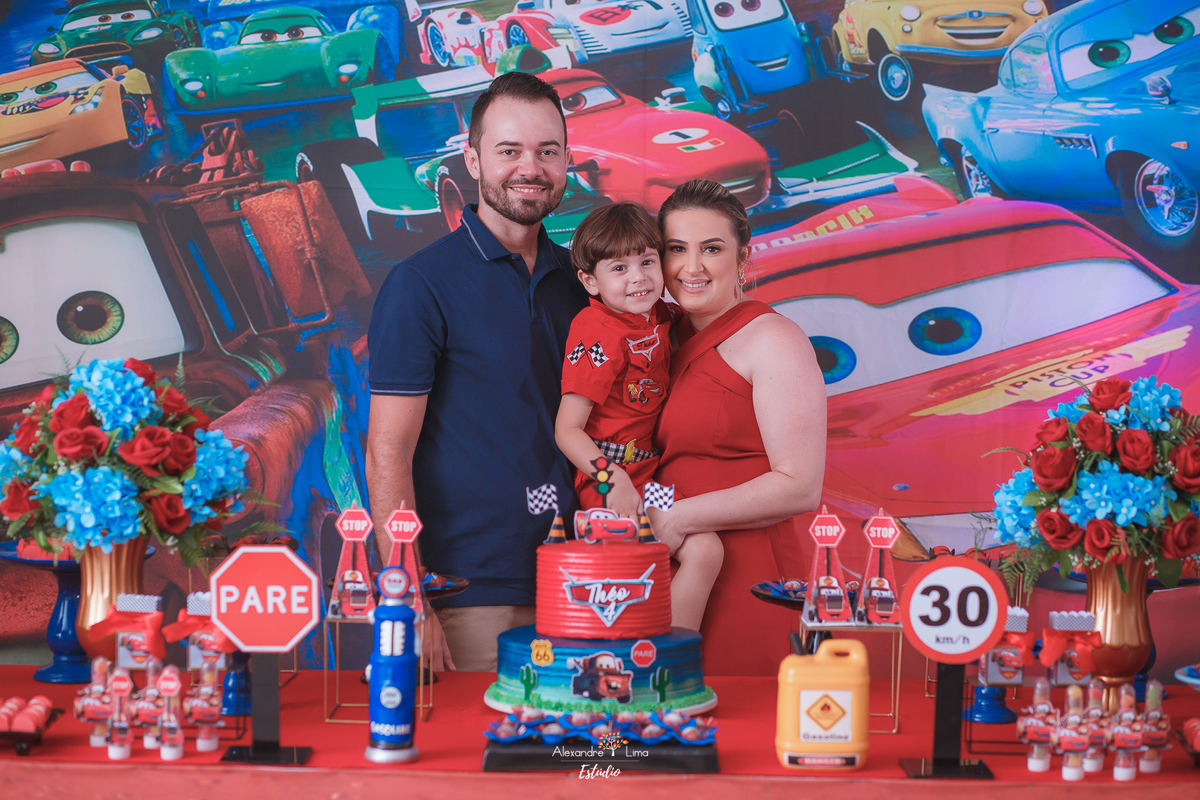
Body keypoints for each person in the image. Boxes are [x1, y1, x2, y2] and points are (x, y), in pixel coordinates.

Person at [366, 71, 589, 672]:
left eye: (547, 151)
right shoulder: (420, 285)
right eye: (509, 150)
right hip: (472, 593)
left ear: (567, 160)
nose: (530, 168)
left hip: (588, 584)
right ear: (472, 160)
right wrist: (407, 596)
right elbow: (388, 450)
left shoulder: (583, 284)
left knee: (593, 737)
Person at [647, 179, 826, 676]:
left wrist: (677, 519)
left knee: (741, 711)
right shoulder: (653, 336)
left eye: (711, 249)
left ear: (743, 256)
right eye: (676, 249)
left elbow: (800, 485)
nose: (692, 267)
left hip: (748, 574)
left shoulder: (773, 339)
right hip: (670, 565)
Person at [554, 202, 724, 629]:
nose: (638, 277)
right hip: (609, 479)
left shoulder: (659, 314)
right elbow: (567, 430)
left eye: (647, 261)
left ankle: (672, 650)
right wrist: (611, 478)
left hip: (651, 473)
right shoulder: (596, 332)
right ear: (590, 281)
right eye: (619, 268)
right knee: (629, 579)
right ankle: (645, 652)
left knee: (704, 550)